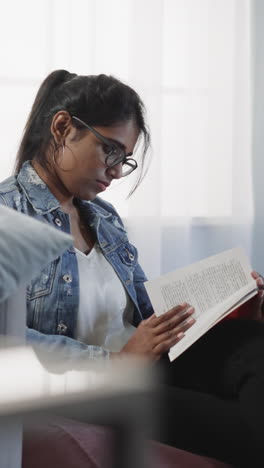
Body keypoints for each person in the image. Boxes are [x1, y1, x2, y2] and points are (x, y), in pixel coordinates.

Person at [0, 69, 264, 467]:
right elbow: (8, 344)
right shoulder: (8, 216)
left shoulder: (103, 218)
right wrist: (116, 362)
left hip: (147, 363)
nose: (116, 171)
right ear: (62, 127)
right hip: (100, 384)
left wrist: (225, 306)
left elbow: (145, 313)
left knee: (250, 342)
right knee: (243, 429)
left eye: (125, 160)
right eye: (110, 151)